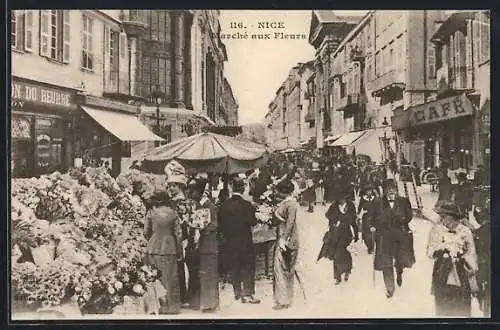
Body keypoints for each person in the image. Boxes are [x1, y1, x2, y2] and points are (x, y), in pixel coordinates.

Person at [426, 201, 478, 317]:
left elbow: (472, 253)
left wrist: (463, 256)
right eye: (441, 216)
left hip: (461, 275)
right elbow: (430, 252)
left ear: (452, 217)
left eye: (444, 216)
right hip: (442, 274)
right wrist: (443, 249)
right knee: (443, 310)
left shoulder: (465, 231)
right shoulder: (436, 230)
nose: (441, 219)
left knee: (462, 309)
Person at [368, 179, 415, 298]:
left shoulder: (404, 201)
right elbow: (370, 218)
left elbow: (409, 216)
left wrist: (402, 220)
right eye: (388, 189)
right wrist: (373, 226)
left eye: (393, 188)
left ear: (396, 189)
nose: (390, 191)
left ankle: (399, 273)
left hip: (400, 236)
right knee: (386, 263)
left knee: (400, 260)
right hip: (384, 237)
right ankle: (389, 288)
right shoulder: (377, 202)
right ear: (384, 190)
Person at [218, 177, 261, 304]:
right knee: (247, 266)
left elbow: (221, 224)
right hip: (245, 241)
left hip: (230, 241)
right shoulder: (247, 206)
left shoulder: (224, 205)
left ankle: (237, 292)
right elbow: (253, 222)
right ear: (243, 189)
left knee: (234, 265)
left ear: (232, 188)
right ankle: (247, 293)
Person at [143, 190, 183, 314]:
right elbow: (178, 234)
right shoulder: (173, 213)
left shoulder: (151, 213)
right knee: (170, 278)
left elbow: (146, 232)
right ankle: (173, 307)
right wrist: (179, 251)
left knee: (155, 277)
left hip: (154, 248)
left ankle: (159, 306)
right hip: (170, 248)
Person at [186, 178, 220, 313]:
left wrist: (201, 228)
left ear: (198, 192)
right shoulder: (195, 205)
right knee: (199, 273)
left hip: (208, 245)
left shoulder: (209, 206)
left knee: (208, 273)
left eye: (192, 191)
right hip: (197, 244)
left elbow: (215, 224)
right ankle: (199, 301)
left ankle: (209, 303)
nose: (190, 193)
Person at [272, 179, 300, 310]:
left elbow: (290, 223)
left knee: (282, 269)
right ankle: (285, 298)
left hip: (287, 239)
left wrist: (284, 239)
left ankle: (284, 300)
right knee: (284, 269)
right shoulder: (287, 202)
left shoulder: (291, 204)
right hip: (284, 237)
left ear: (284, 192)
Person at [325, 190, 358, 285]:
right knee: (336, 255)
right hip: (336, 234)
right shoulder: (334, 206)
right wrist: (335, 221)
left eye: (343, 198)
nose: (341, 200)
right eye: (339, 199)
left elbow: (353, 220)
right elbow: (327, 215)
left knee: (346, 253)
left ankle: (347, 271)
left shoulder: (350, 206)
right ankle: (337, 276)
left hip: (347, 234)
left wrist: (356, 235)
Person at [358, 185, 377, 254]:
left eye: (370, 191)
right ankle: (368, 244)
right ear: (365, 192)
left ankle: (371, 247)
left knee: (372, 233)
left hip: (373, 218)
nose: (369, 192)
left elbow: (378, 208)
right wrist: (361, 213)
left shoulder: (375, 199)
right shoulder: (363, 199)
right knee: (366, 234)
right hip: (365, 218)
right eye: (367, 191)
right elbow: (359, 208)